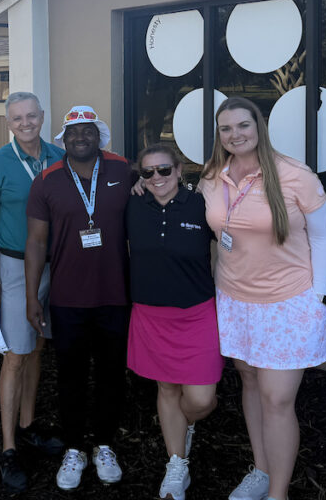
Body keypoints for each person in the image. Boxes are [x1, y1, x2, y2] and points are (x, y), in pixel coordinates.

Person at [199, 97, 326, 500]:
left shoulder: (295, 175)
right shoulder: (212, 176)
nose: (235, 135)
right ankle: (260, 470)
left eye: (243, 125)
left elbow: (323, 237)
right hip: (234, 300)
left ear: (259, 126)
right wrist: (142, 182)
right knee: (250, 382)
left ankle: (278, 492)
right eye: (226, 128)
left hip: (288, 303)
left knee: (277, 398)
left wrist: (319, 297)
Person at [25, 105, 132, 492]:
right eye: (73, 132)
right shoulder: (47, 180)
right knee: (70, 376)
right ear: (64, 140)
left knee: (110, 375)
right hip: (67, 297)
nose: (80, 137)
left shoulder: (124, 170)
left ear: (98, 136)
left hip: (115, 295)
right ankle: (73, 448)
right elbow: (36, 242)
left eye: (87, 130)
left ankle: (104, 445)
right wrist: (32, 297)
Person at [0, 91, 65, 493]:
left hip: (56, 265)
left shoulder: (59, 156)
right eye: (18, 118)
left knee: (37, 347)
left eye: (31, 116)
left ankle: (28, 426)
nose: (26, 123)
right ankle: (9, 447)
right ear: (8, 123)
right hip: (14, 265)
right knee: (15, 355)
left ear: (42, 116)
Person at [127, 142, 221, 500]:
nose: (157, 177)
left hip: (197, 314)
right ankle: (176, 464)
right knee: (166, 389)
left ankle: (184, 425)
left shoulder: (200, 205)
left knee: (201, 399)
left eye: (164, 169)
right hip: (151, 314)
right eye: (148, 172)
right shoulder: (133, 204)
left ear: (179, 171)